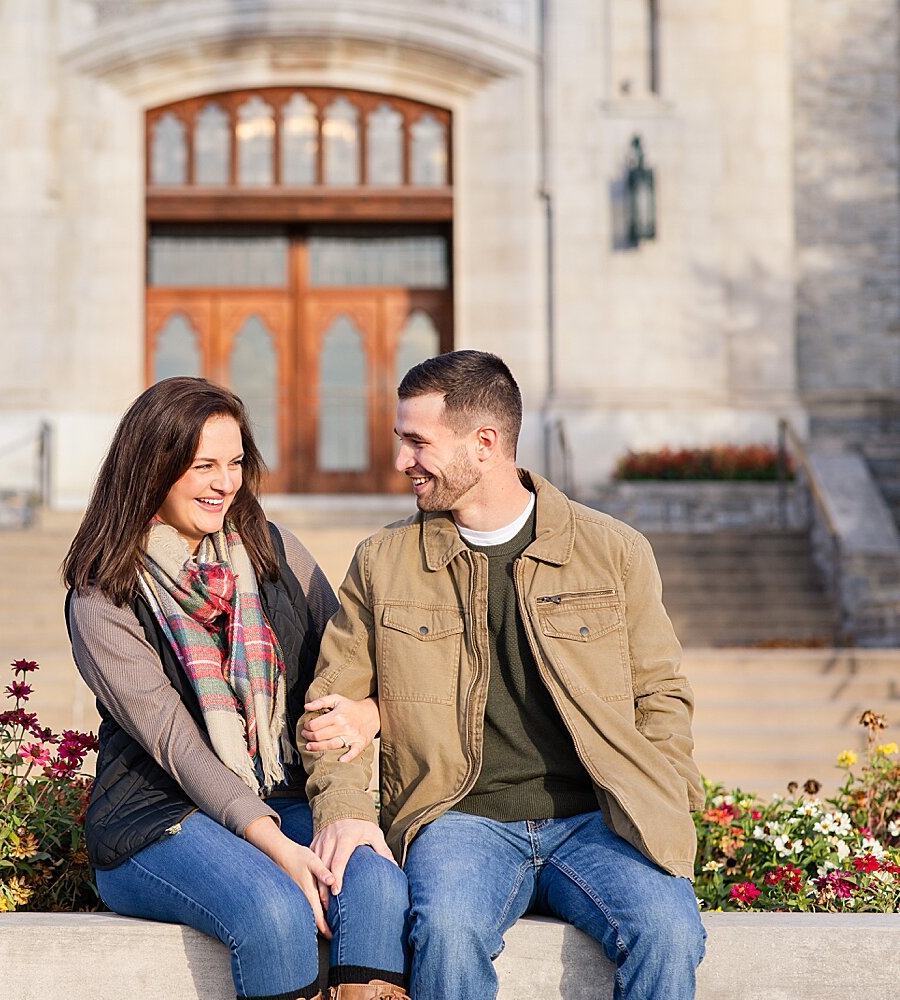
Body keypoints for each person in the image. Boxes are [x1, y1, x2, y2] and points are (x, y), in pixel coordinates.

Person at [300, 351, 705, 1000]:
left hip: (598, 819)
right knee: (447, 933)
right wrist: (346, 813)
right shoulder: (382, 561)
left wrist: (669, 797)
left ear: (484, 445)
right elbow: (332, 709)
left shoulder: (613, 552)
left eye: (417, 442)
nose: (402, 460)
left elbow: (660, 694)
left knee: (670, 931)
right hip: (459, 818)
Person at [63, 377, 411, 1000]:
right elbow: (175, 746)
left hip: (288, 791)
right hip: (158, 818)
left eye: (235, 463)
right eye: (203, 466)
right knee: (273, 909)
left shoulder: (273, 551)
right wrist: (279, 846)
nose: (225, 482)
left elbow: (349, 668)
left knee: (376, 884)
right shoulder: (103, 596)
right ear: (152, 470)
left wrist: (368, 713)